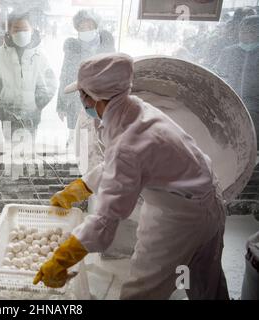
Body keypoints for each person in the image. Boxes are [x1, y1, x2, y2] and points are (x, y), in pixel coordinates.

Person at [33, 53, 229, 300]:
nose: (82, 102)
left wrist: (61, 260)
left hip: (180, 217)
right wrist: (80, 188)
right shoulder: (134, 108)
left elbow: (105, 221)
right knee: (206, 285)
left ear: (91, 98)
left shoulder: (128, 142)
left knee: (143, 291)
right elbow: (121, 164)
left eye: (82, 95)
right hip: (205, 200)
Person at [0, 11, 56, 141]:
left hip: (31, 116)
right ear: (9, 31)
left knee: (28, 151)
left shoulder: (40, 55)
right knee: (10, 151)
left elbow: (50, 83)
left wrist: (37, 103)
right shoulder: (0, 54)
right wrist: (3, 99)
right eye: (16, 29)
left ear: (32, 29)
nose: (20, 33)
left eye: (24, 29)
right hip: (7, 115)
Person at [56, 9, 115, 147]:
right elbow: (65, 75)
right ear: (77, 29)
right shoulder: (73, 48)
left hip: (101, 102)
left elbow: (115, 74)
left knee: (98, 141)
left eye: (89, 26)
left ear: (96, 26)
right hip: (76, 101)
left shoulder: (106, 47)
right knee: (78, 143)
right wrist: (61, 105)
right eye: (82, 27)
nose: (86, 30)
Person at [215, 15, 259, 149]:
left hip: (255, 108)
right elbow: (218, 75)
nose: (244, 35)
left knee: (252, 142)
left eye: (250, 31)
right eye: (242, 31)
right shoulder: (229, 52)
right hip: (230, 104)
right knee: (230, 142)